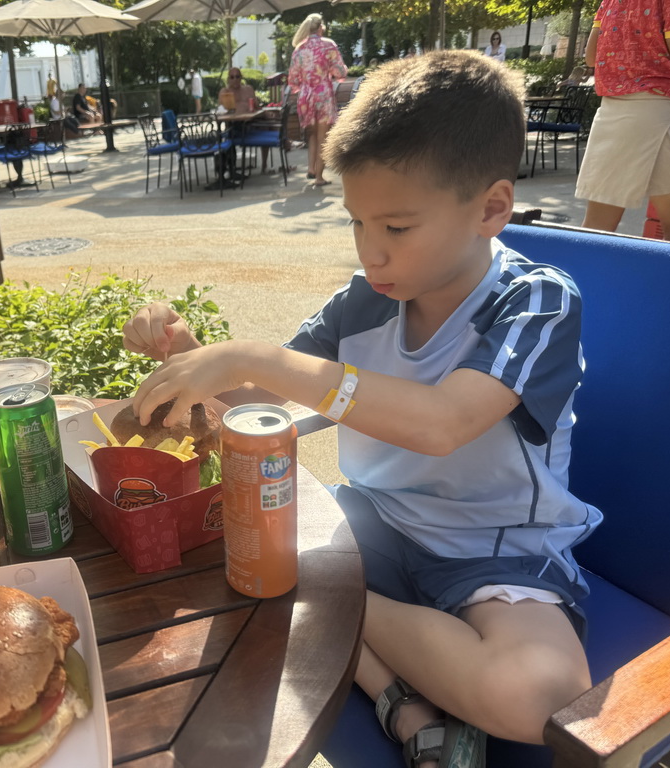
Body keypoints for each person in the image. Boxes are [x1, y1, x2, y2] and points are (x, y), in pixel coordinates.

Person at [121, 50, 600, 768]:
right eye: (357, 224)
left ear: (491, 209)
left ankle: (349, 622)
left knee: (536, 695)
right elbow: (254, 400)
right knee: (246, 555)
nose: (372, 253)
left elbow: (442, 423)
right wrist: (187, 356)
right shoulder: (365, 299)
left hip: (493, 552)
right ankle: (405, 706)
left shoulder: (535, 302)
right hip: (372, 526)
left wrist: (253, 355)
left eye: (397, 228)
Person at [575, 0, 670, 242]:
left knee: (596, 227)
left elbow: (591, 57)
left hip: (612, 113)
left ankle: (582, 279)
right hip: (661, 110)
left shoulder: (610, 2)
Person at [288, 13, 348, 187]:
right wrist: (342, 70)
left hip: (306, 96)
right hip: (323, 95)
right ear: (321, 28)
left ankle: (311, 169)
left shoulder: (299, 48)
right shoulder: (328, 45)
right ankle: (319, 177)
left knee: (312, 135)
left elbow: (293, 79)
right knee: (323, 136)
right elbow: (340, 72)